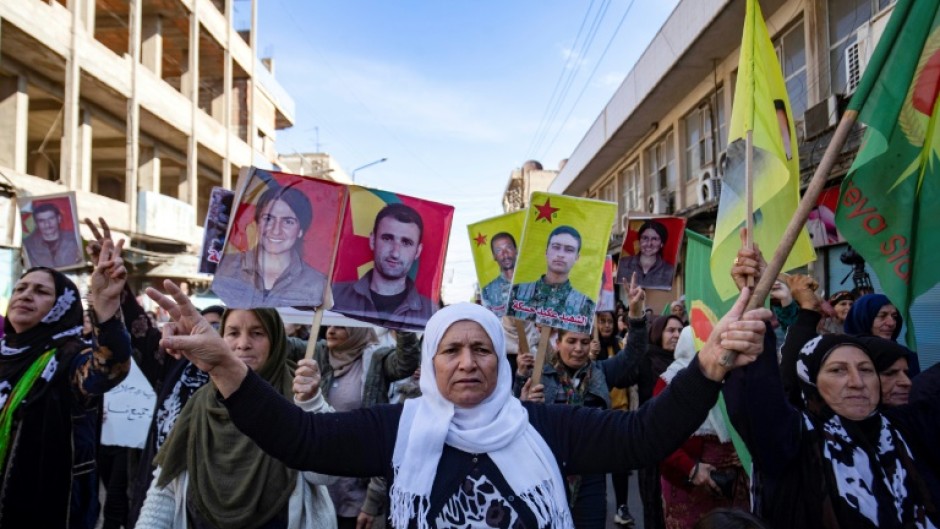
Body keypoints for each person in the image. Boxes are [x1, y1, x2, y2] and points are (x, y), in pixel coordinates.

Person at [145, 277, 773, 529]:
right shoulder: (400, 428)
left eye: (481, 349)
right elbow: (301, 440)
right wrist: (228, 365)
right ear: (429, 364)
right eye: (451, 351)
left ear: (500, 362)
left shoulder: (545, 426)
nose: (467, 361)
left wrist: (709, 367)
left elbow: (642, 437)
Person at [135, 308, 337, 529]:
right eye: (232, 333)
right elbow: (166, 485)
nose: (243, 344)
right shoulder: (201, 402)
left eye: (257, 333)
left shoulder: (299, 395)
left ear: (276, 340)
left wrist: (311, 403)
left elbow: (326, 475)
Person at [723, 332, 939, 529]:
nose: (857, 382)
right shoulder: (794, 438)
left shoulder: (904, 430)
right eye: (838, 370)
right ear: (811, 380)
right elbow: (756, 393)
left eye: (866, 370)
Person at [0, 237, 131, 527]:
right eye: (20, 288)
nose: (25, 295)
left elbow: (110, 369)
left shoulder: (70, 358)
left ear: (63, 304)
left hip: (44, 511)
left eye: (41, 291)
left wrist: (105, 305)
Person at [514, 277, 646, 529]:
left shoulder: (600, 372)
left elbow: (633, 355)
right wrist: (524, 393)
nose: (578, 348)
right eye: (571, 341)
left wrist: (636, 316)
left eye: (584, 342)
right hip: (548, 473)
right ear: (557, 342)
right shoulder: (539, 374)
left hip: (592, 477)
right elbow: (514, 418)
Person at [309, 325, 420, 528]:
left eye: (341, 327)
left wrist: (402, 323)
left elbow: (407, 362)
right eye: (330, 326)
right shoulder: (319, 355)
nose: (331, 331)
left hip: (359, 482)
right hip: (324, 478)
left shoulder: (375, 359)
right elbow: (281, 345)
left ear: (357, 332)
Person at [655, 328, 750, 529]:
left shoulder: (734, 378)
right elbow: (658, 437)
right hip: (689, 485)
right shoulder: (670, 381)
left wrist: (745, 454)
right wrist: (692, 468)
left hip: (733, 484)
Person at [213, 186, 328, 309]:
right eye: (268, 219)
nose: (276, 230)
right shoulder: (223, 267)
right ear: (257, 223)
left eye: (288, 221)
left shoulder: (318, 285)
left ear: (300, 231)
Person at [332, 203, 435, 330]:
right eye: (387, 239)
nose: (395, 253)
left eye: (406, 243)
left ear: (418, 251)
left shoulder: (432, 314)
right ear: (372, 241)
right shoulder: (333, 296)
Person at [635, 313, 686, 529]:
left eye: (680, 330)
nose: (676, 334)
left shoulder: (689, 362)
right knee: (655, 504)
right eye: (670, 330)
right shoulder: (646, 360)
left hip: (680, 446)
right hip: (652, 444)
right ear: (657, 333)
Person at [507, 225, 595, 332]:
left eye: (569, 250)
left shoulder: (585, 305)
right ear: (546, 252)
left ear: (577, 257)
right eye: (556, 247)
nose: (560, 254)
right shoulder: (517, 293)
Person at [844, 293, 920, 375]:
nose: (891, 323)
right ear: (863, 319)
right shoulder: (841, 354)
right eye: (882, 316)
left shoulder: (906, 355)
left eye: (894, 316)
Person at [617, 220, 676, 290]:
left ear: (662, 244)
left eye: (654, 239)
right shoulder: (623, 264)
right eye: (645, 238)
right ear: (639, 241)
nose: (649, 244)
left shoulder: (669, 271)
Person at [21, 202, 83, 268]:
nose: (47, 224)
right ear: (36, 223)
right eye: (41, 221)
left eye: (51, 218)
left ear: (59, 218)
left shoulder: (75, 238)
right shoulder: (27, 245)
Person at [480, 232, 517, 313]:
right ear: (494, 256)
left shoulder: (533, 284)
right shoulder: (488, 290)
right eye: (499, 250)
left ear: (516, 250)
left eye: (509, 248)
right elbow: (488, 320)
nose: (505, 254)